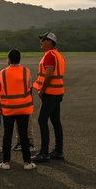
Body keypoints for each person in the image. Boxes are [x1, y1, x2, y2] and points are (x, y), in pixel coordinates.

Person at [0, 49, 35, 170]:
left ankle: (6, 162)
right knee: (23, 134)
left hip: (8, 108)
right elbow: (29, 86)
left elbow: (0, 88)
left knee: (7, 134)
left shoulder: (2, 73)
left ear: (8, 59)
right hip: (24, 107)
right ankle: (27, 162)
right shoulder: (26, 71)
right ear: (20, 59)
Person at [32, 31, 65, 163]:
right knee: (56, 121)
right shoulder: (57, 55)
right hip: (57, 92)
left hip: (50, 93)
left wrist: (42, 90)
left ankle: (44, 152)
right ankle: (58, 151)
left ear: (50, 42)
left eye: (44, 40)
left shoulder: (50, 55)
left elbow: (49, 74)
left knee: (42, 120)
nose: (41, 42)